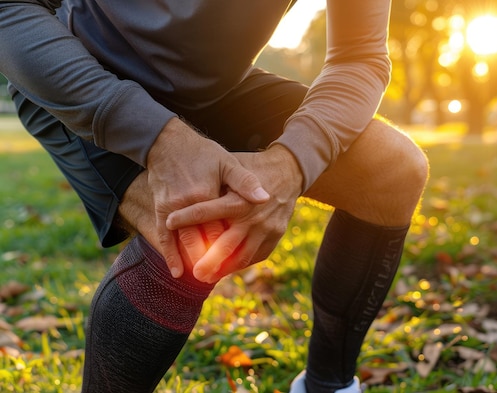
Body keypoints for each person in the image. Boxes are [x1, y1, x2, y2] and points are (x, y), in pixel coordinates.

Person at [0, 0, 429, 392]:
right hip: (80, 73)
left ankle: (326, 384)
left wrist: (290, 163)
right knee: (199, 223)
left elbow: (361, 57)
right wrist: (163, 140)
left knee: (393, 170)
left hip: (216, 87)